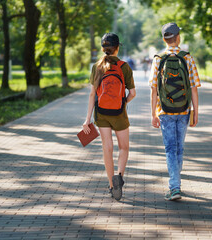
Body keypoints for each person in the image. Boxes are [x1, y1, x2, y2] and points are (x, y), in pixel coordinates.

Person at [149, 23, 201, 201]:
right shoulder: (187, 58)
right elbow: (194, 88)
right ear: (178, 37)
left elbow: (154, 89)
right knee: (179, 148)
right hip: (184, 109)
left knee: (170, 149)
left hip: (164, 111)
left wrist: (153, 114)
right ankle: (176, 184)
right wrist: (195, 112)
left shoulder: (158, 59)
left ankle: (174, 187)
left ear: (164, 39)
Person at [83, 33, 136, 200]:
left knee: (107, 148)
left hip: (102, 113)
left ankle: (112, 186)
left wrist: (87, 119)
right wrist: (123, 103)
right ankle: (119, 176)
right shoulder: (124, 66)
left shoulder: (97, 67)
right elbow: (133, 93)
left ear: (102, 48)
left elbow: (92, 95)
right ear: (117, 47)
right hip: (119, 113)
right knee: (124, 148)